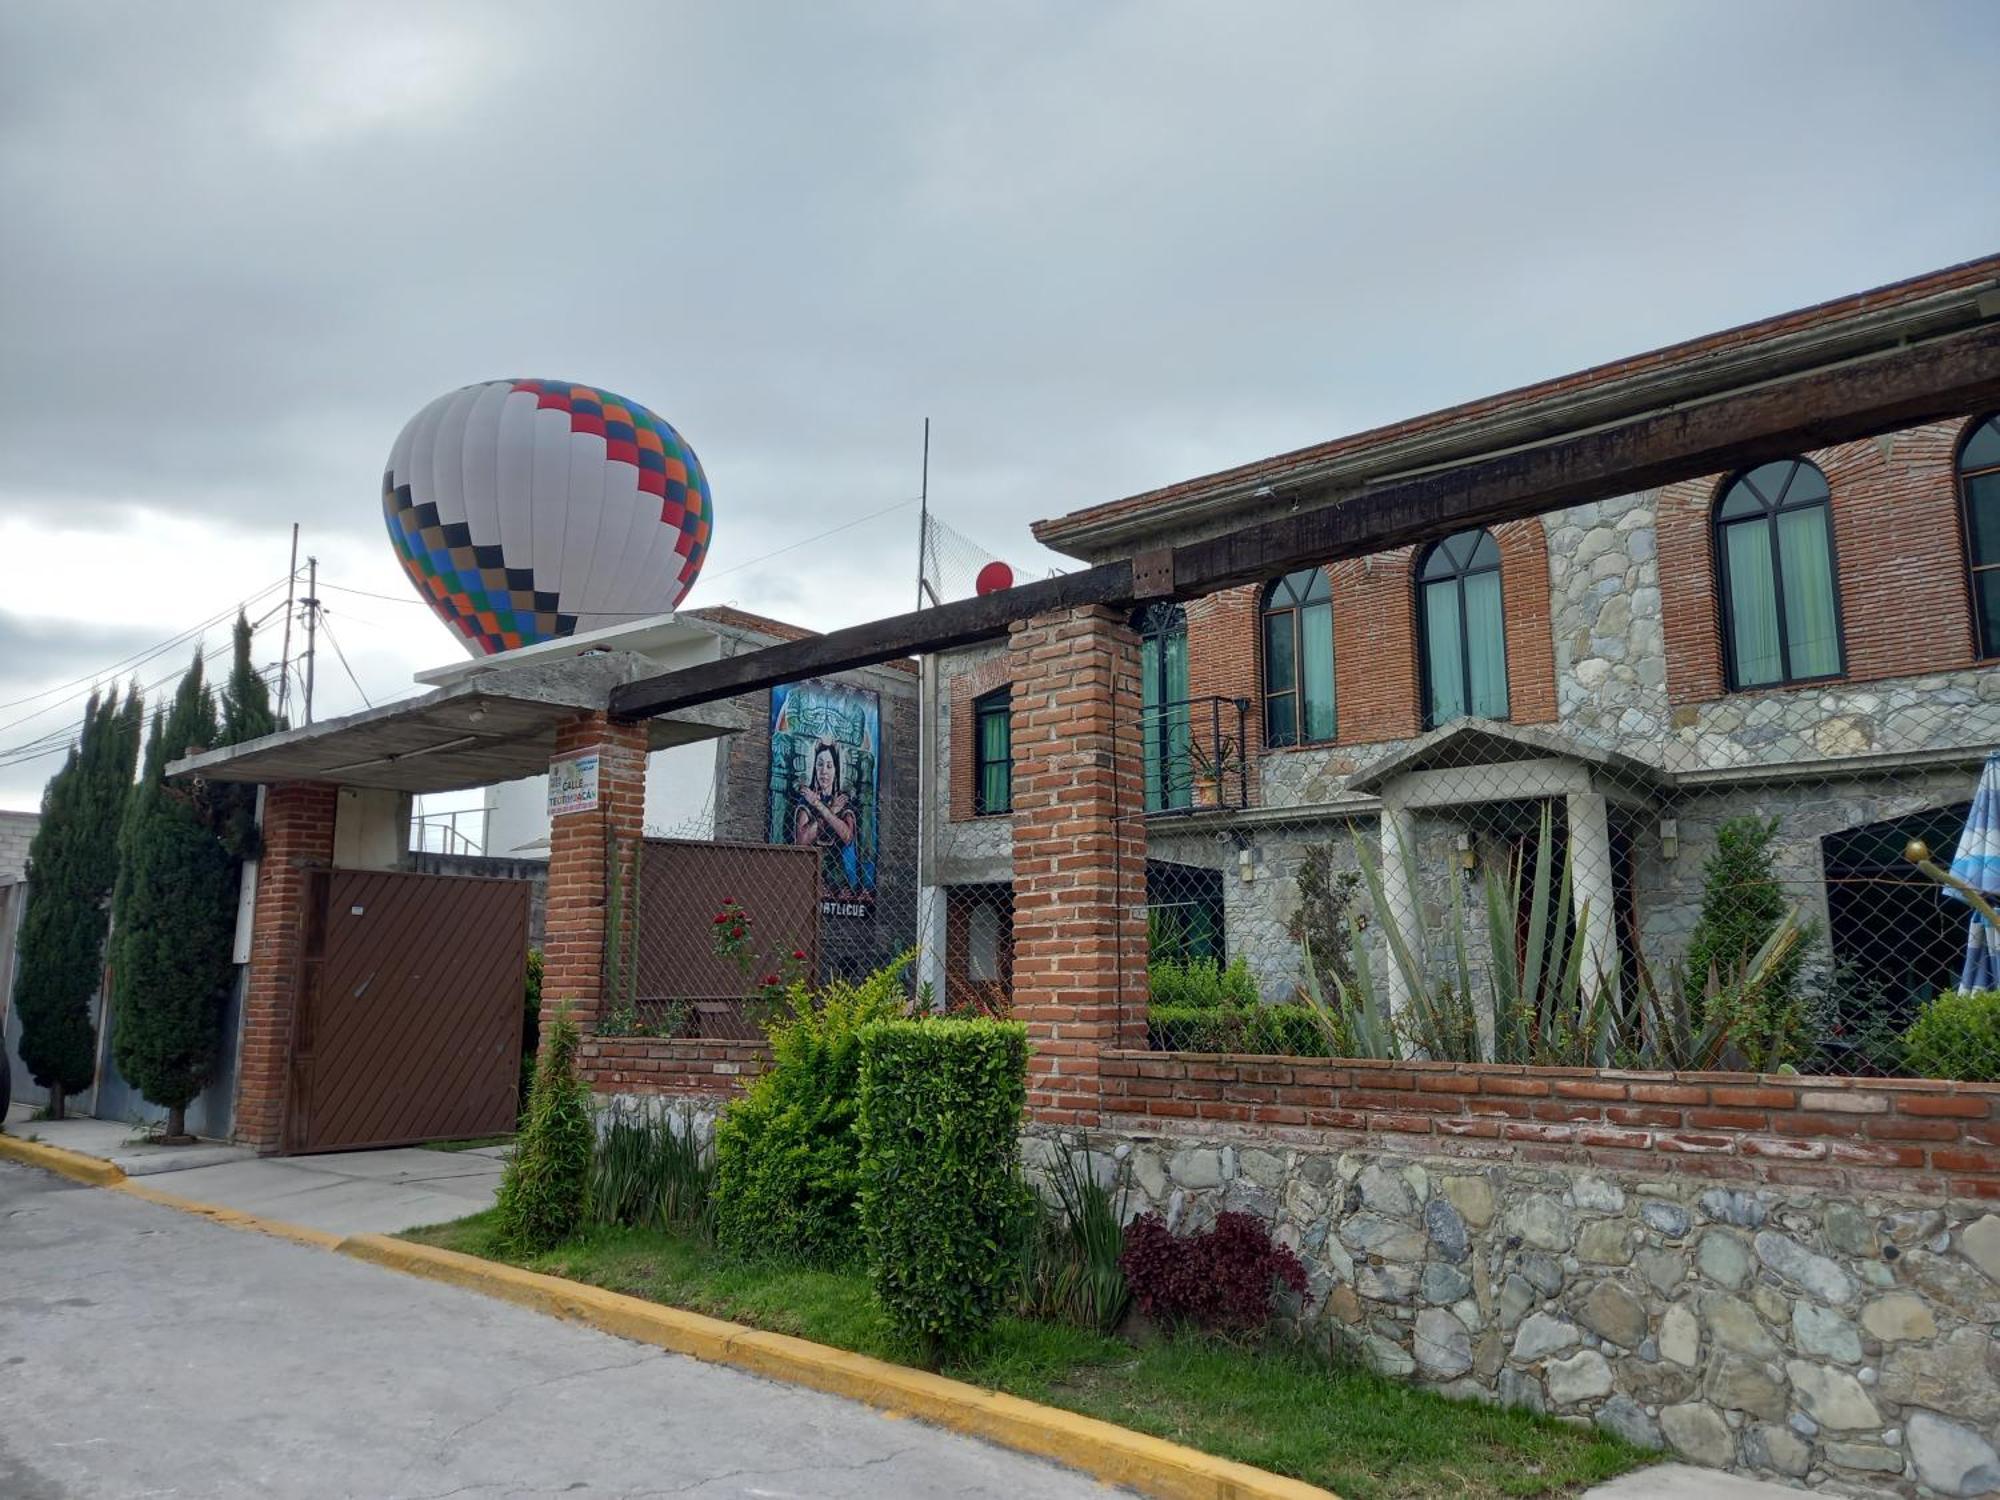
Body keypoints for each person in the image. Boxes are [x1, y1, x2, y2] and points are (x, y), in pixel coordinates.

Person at [791, 739, 860, 891]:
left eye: (829, 766)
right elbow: (802, 841)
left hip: (838, 876)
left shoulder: (842, 801)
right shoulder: (807, 800)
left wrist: (821, 807)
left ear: (836, 770)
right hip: (809, 872)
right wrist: (828, 810)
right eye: (820, 764)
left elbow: (847, 836)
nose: (824, 771)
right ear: (814, 768)